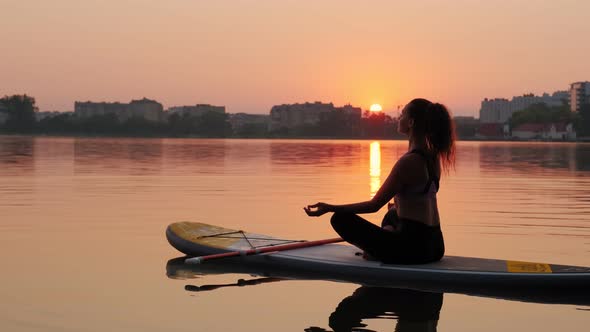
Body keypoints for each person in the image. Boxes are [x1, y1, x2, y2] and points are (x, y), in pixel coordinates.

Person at [304, 98, 456, 264]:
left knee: (340, 219)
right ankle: (383, 245)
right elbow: (419, 200)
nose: (399, 117)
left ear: (411, 122)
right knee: (392, 214)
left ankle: (376, 253)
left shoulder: (408, 162)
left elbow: (373, 206)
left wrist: (329, 207)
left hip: (414, 250)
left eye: (403, 114)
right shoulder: (433, 158)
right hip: (436, 246)